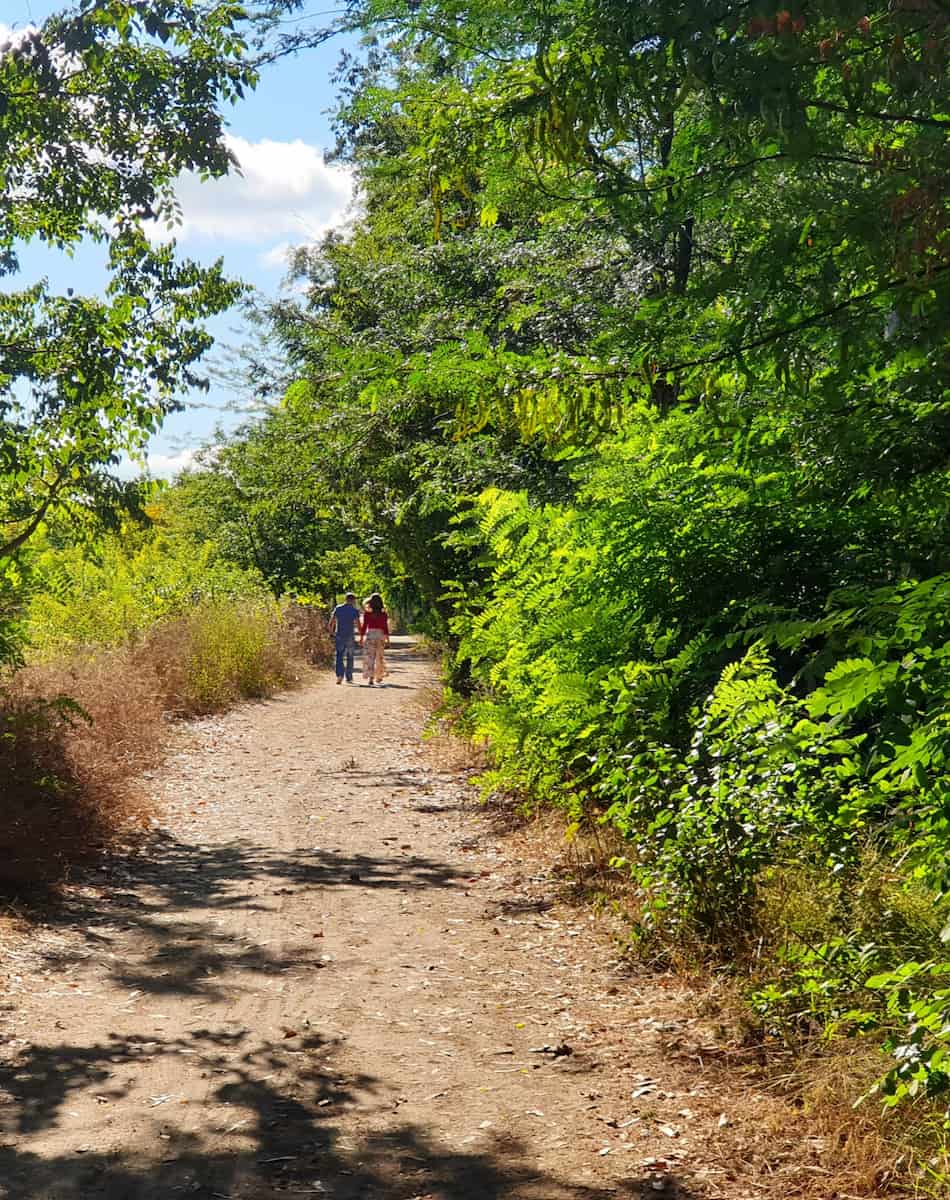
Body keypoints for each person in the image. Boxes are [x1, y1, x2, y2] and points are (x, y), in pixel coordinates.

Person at [328, 591, 361, 684]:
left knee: (339, 656)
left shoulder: (338, 608)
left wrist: (332, 633)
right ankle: (349, 677)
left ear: (345, 599)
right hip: (350, 635)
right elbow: (358, 624)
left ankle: (339, 675)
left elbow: (331, 622)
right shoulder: (354, 610)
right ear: (353, 600)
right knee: (350, 656)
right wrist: (361, 635)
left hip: (339, 635)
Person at [359, 592, 390, 686]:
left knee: (370, 657)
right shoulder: (384, 614)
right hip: (380, 635)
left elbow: (364, 626)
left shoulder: (367, 614)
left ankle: (371, 678)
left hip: (371, 635)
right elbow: (385, 627)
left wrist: (361, 637)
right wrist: (388, 639)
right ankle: (379, 677)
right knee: (379, 657)